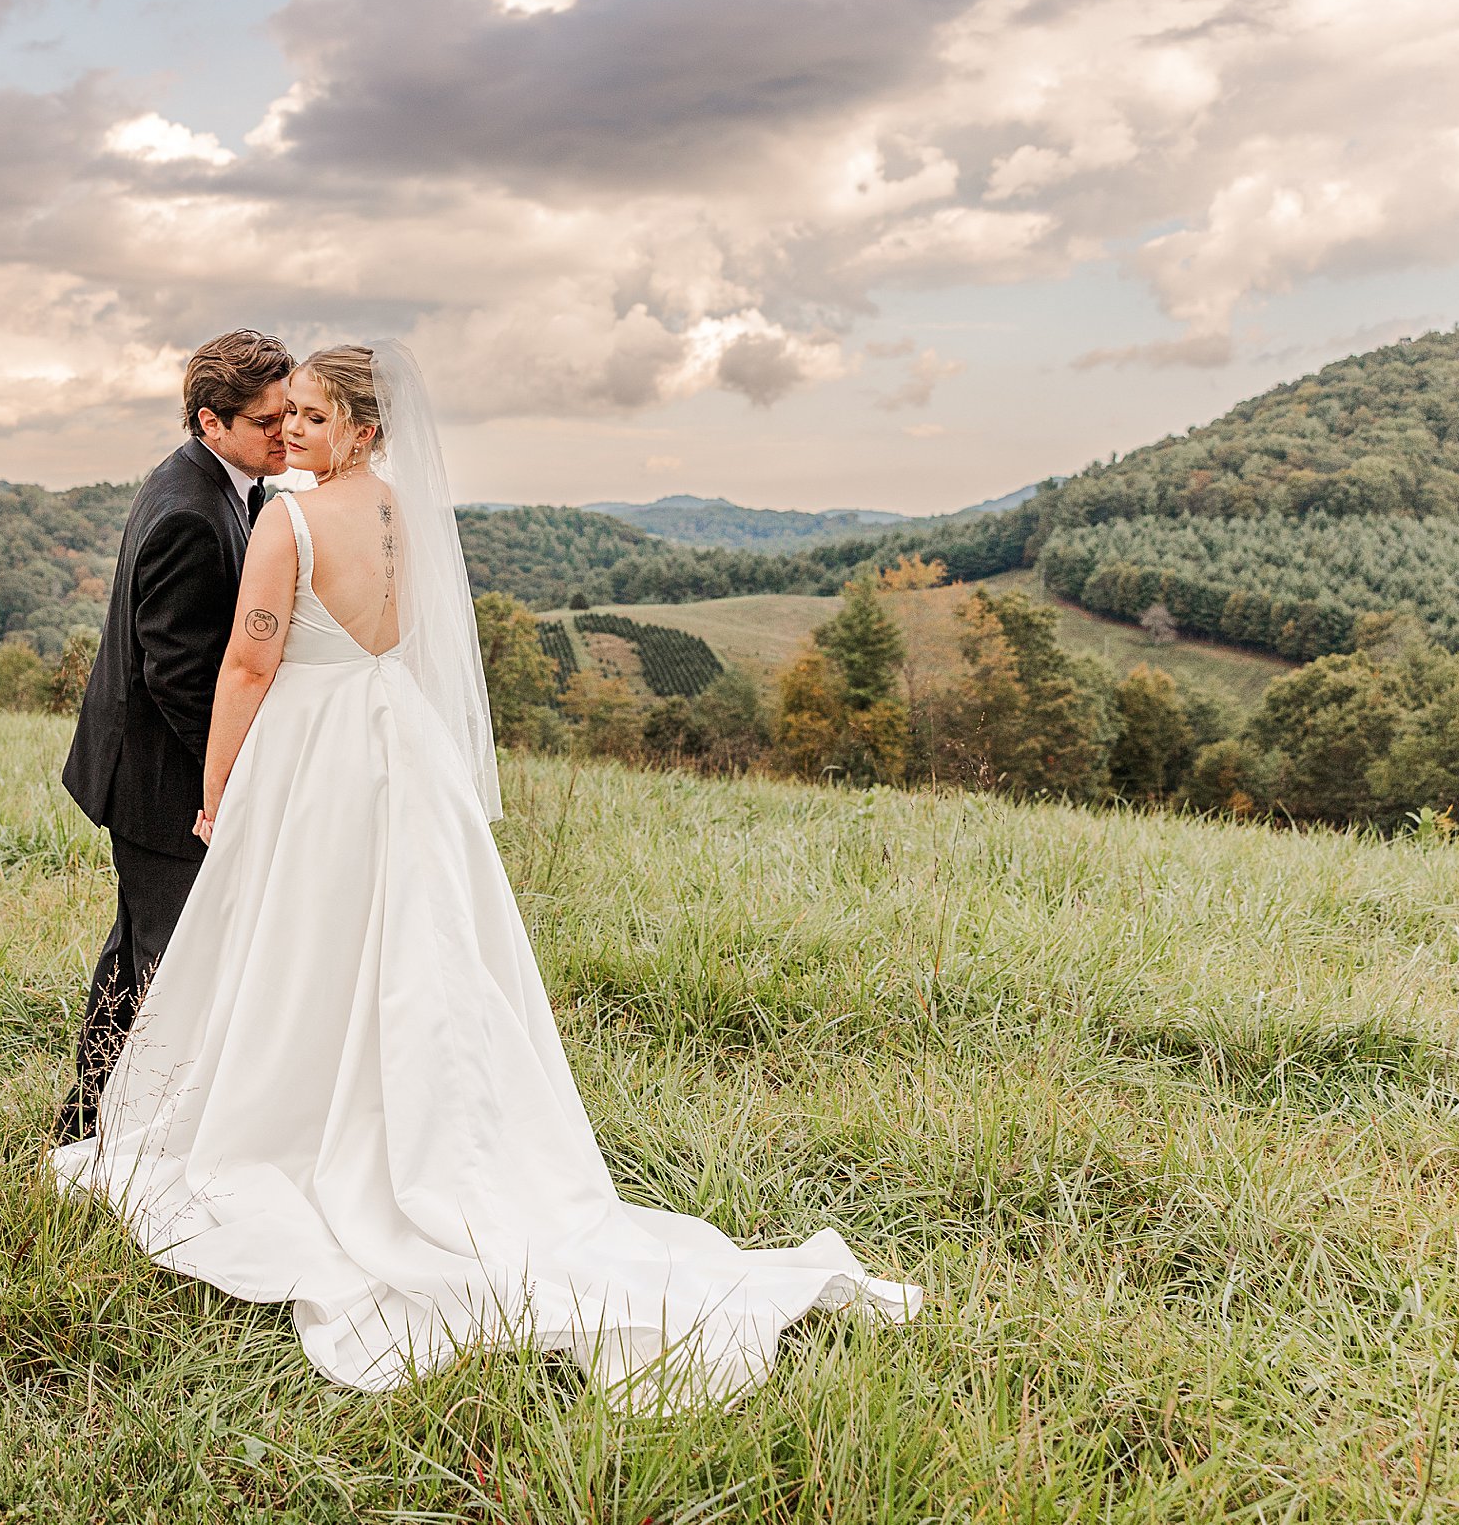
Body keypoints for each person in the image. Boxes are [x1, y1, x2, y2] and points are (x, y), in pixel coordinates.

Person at [54, 341, 920, 1409]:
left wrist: (221, 785)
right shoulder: (405, 516)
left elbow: (245, 662)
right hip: (399, 750)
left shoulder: (286, 518)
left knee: (297, 943)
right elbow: (404, 639)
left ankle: (291, 1124)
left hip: (313, 755)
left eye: (316, 419)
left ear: (363, 428)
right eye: (292, 418)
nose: (297, 436)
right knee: (410, 946)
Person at [56, 328, 292, 1144]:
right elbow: (181, 675)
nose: (285, 431)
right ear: (210, 421)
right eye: (267, 420)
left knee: (134, 960)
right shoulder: (193, 510)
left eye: (291, 413)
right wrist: (230, 779)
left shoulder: (219, 483)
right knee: (169, 968)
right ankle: (134, 1145)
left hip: (146, 774)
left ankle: (86, 1124)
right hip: (160, 784)